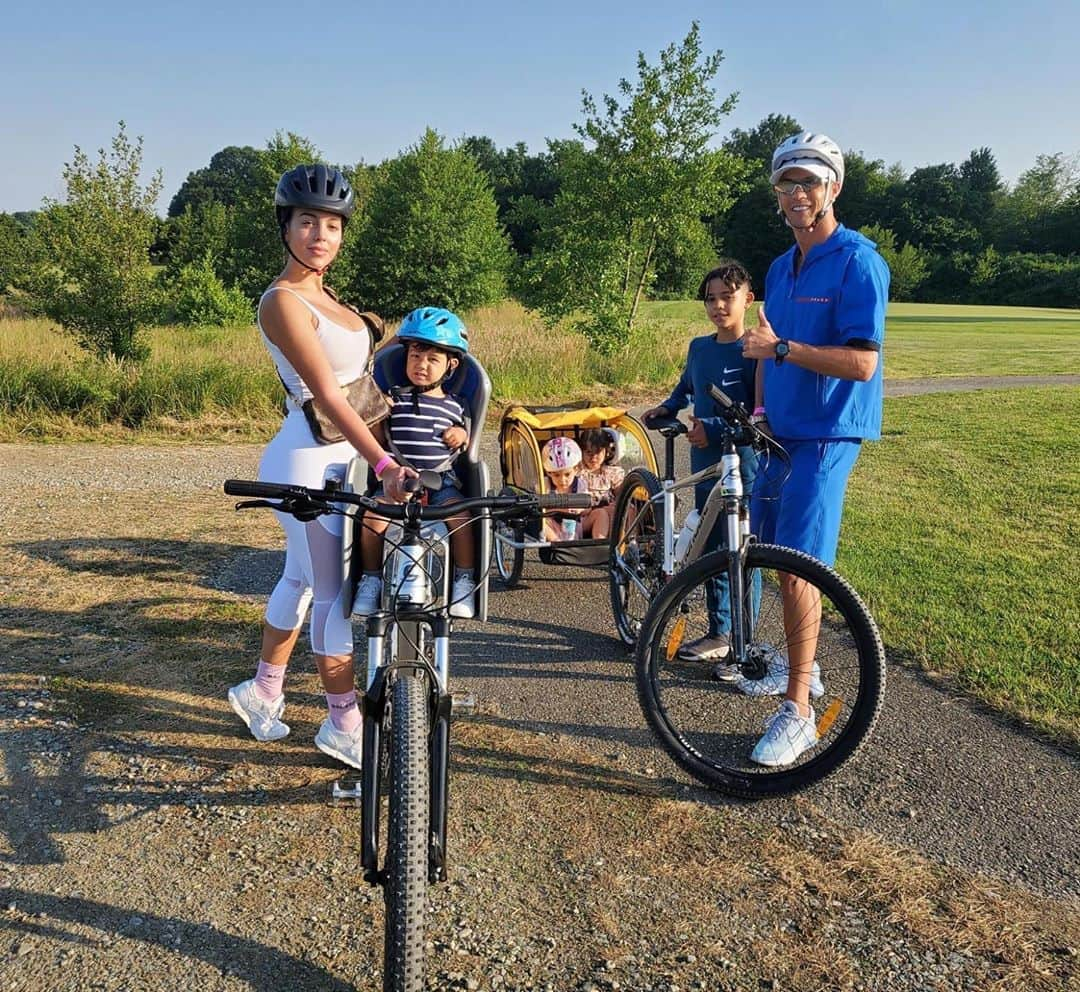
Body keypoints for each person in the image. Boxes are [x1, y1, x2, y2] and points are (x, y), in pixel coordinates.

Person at [227, 163, 415, 772]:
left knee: (299, 581)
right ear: (286, 226)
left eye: (332, 224)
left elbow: (358, 379)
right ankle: (343, 724)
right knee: (333, 595)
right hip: (310, 460)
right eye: (308, 221)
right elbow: (328, 395)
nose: (320, 234)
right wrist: (383, 461)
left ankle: (262, 691)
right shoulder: (281, 301)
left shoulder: (330, 297)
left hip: (346, 454)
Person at [741, 131, 890, 767]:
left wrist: (782, 351)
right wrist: (760, 411)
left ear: (834, 187)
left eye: (809, 181)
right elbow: (770, 342)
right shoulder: (780, 266)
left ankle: (799, 711)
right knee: (777, 557)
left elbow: (861, 363)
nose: (797, 193)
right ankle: (806, 668)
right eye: (787, 183)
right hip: (780, 432)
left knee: (801, 563)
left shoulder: (859, 262)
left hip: (829, 434)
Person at [642, 259, 759, 667]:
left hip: (742, 465)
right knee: (709, 547)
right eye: (711, 299)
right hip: (706, 462)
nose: (718, 306)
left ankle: (745, 638)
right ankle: (719, 632)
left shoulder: (754, 350)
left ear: (748, 298)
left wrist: (710, 424)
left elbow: (754, 410)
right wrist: (667, 406)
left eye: (728, 297)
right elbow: (685, 387)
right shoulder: (700, 348)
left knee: (742, 549)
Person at [351, 307, 478, 619]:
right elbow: (378, 441)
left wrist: (461, 434)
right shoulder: (394, 399)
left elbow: (467, 440)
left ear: (451, 365)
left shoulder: (455, 405)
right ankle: (371, 578)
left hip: (440, 483)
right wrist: (379, 413)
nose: (421, 365)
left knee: (461, 519)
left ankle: (464, 578)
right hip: (397, 482)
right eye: (414, 357)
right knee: (372, 519)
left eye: (432, 360)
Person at [577, 428, 625, 540]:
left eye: (598, 452)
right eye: (588, 452)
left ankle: (630, 542)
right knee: (601, 513)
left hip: (607, 510)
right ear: (582, 452)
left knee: (628, 509)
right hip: (586, 514)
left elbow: (621, 494)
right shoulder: (578, 471)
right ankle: (601, 544)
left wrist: (618, 504)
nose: (593, 457)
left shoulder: (610, 472)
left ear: (606, 452)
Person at [540, 436, 589, 542]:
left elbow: (588, 507)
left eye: (567, 474)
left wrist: (580, 509)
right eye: (557, 475)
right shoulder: (545, 485)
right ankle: (558, 544)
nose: (562, 480)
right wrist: (559, 510)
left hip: (575, 524)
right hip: (553, 525)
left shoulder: (580, 484)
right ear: (549, 473)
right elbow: (539, 509)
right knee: (542, 521)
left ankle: (600, 541)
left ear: (576, 469)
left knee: (600, 514)